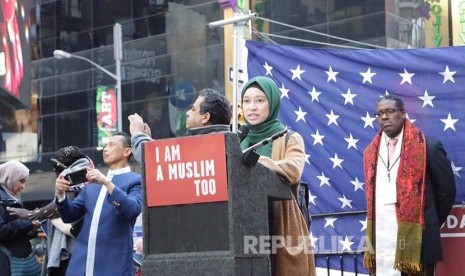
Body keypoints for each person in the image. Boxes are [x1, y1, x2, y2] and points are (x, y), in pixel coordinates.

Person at [363, 95, 456, 275]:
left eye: (390, 111)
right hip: (381, 237)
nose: (384, 117)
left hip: (417, 238)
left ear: (403, 114)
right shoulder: (369, 153)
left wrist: (427, 222)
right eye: (380, 113)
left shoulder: (428, 146)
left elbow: (447, 192)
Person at [240, 76, 316, 276]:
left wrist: (258, 162)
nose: (252, 107)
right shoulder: (237, 140)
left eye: (259, 100)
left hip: (280, 225)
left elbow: (293, 169)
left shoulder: (289, 137)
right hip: (242, 227)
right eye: (246, 101)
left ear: (272, 103)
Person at [55, 132, 142, 276]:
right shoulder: (91, 185)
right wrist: (60, 194)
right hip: (81, 263)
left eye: (111, 145)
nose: (105, 149)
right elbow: (69, 216)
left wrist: (107, 183)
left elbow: (133, 209)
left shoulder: (135, 180)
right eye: (105, 146)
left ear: (127, 151)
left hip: (114, 264)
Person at [8, 146, 92, 276]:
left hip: (77, 246)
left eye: (57, 168)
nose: (54, 171)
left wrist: (31, 215)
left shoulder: (79, 175)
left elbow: (57, 207)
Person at [128, 88, 231, 163]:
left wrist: (137, 134)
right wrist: (148, 140)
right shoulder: (225, 143)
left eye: (193, 109)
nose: (187, 113)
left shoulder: (202, 145)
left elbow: (153, 159)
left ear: (205, 117)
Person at [0, 160, 42, 276]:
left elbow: (17, 232)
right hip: (9, 264)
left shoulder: (11, 197)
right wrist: (29, 221)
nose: (23, 186)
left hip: (21, 261)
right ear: (10, 177)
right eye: (21, 181)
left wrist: (32, 228)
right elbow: (2, 231)